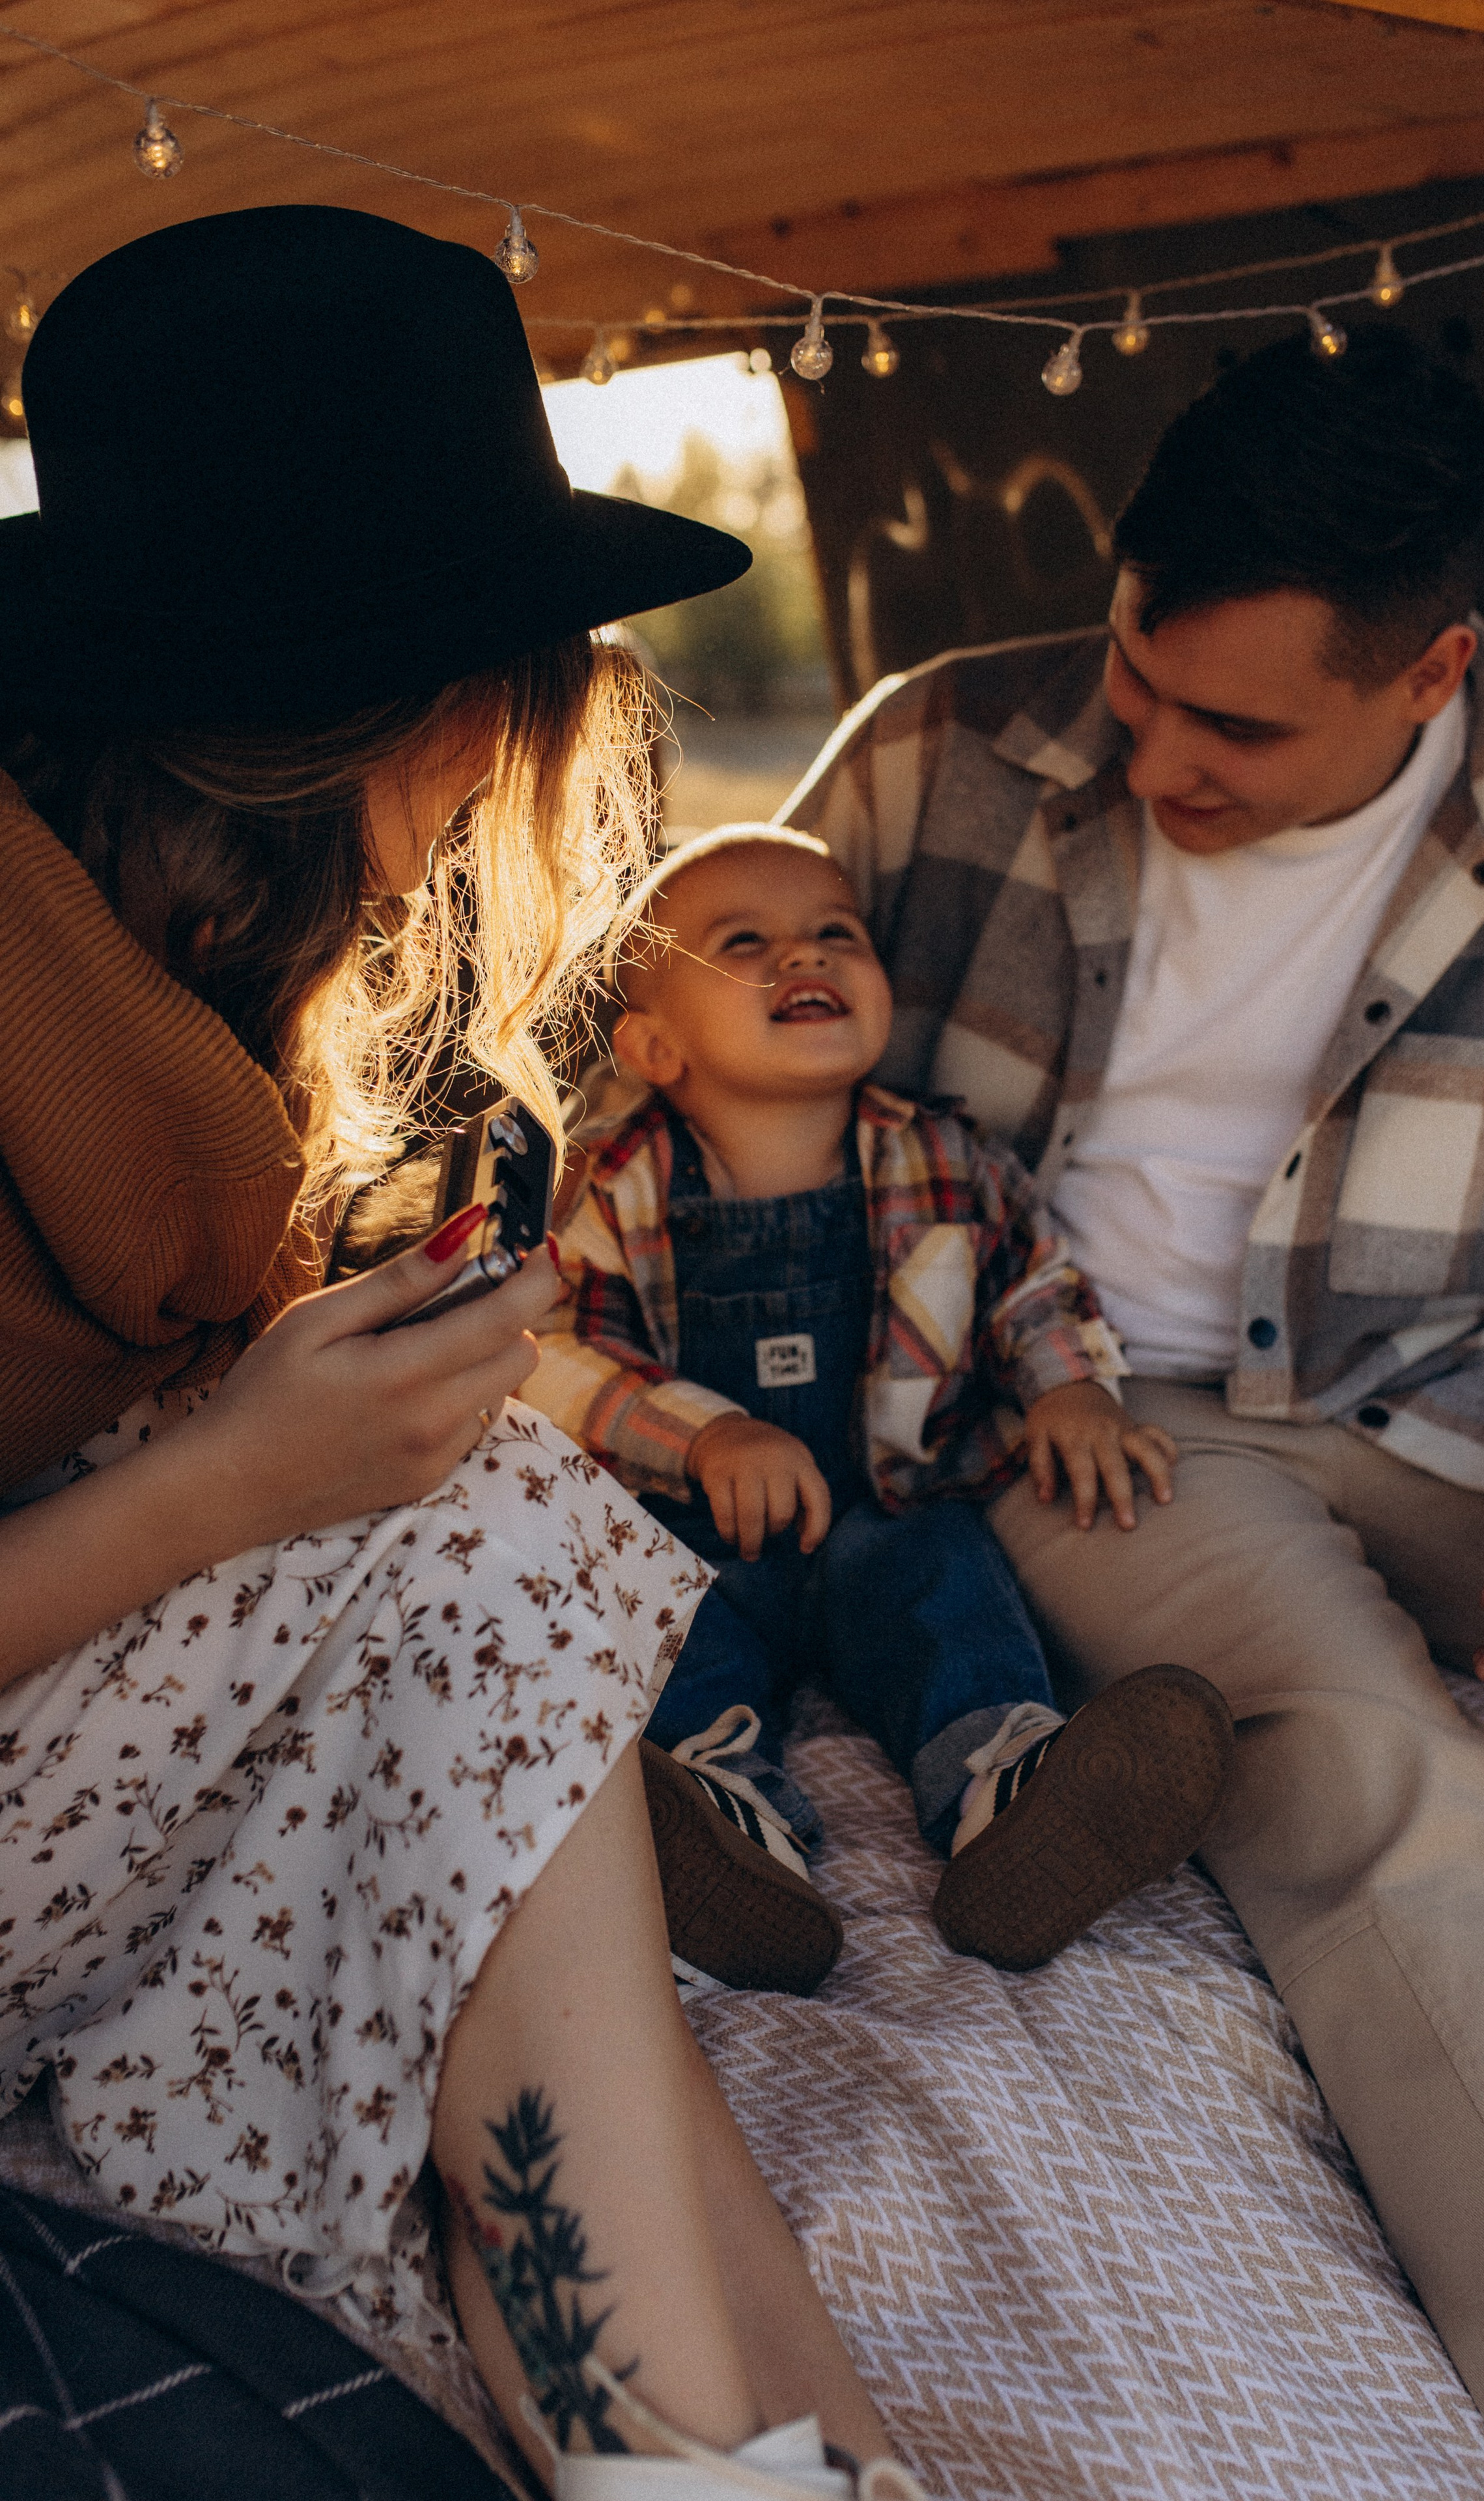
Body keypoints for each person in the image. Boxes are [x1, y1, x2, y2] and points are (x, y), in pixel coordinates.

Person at [0, 203, 932, 2501]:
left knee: (488, 1581)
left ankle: (790, 2461)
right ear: (455, 707)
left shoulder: (159, 1021)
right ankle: (691, 2460)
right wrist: (233, 1482)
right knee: (489, 1530)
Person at [783, 326, 1484, 2501]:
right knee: (1375, 1781)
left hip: (1477, 1411)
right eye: (1136, 676)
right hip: (1096, 1427)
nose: (1154, 748)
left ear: (1431, 668)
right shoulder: (935, 754)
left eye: (1238, 726)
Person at [531, 825, 1231, 1991]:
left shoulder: (946, 1159)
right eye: (744, 941)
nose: (801, 955)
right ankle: (721, 1820)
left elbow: (1034, 1282)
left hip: (888, 1501)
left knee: (953, 1592)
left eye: (834, 934)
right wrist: (703, 1433)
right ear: (655, 1046)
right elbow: (551, 1353)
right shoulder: (617, 1186)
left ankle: (1013, 1796)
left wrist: (1068, 1389)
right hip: (697, 1523)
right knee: (664, 1626)